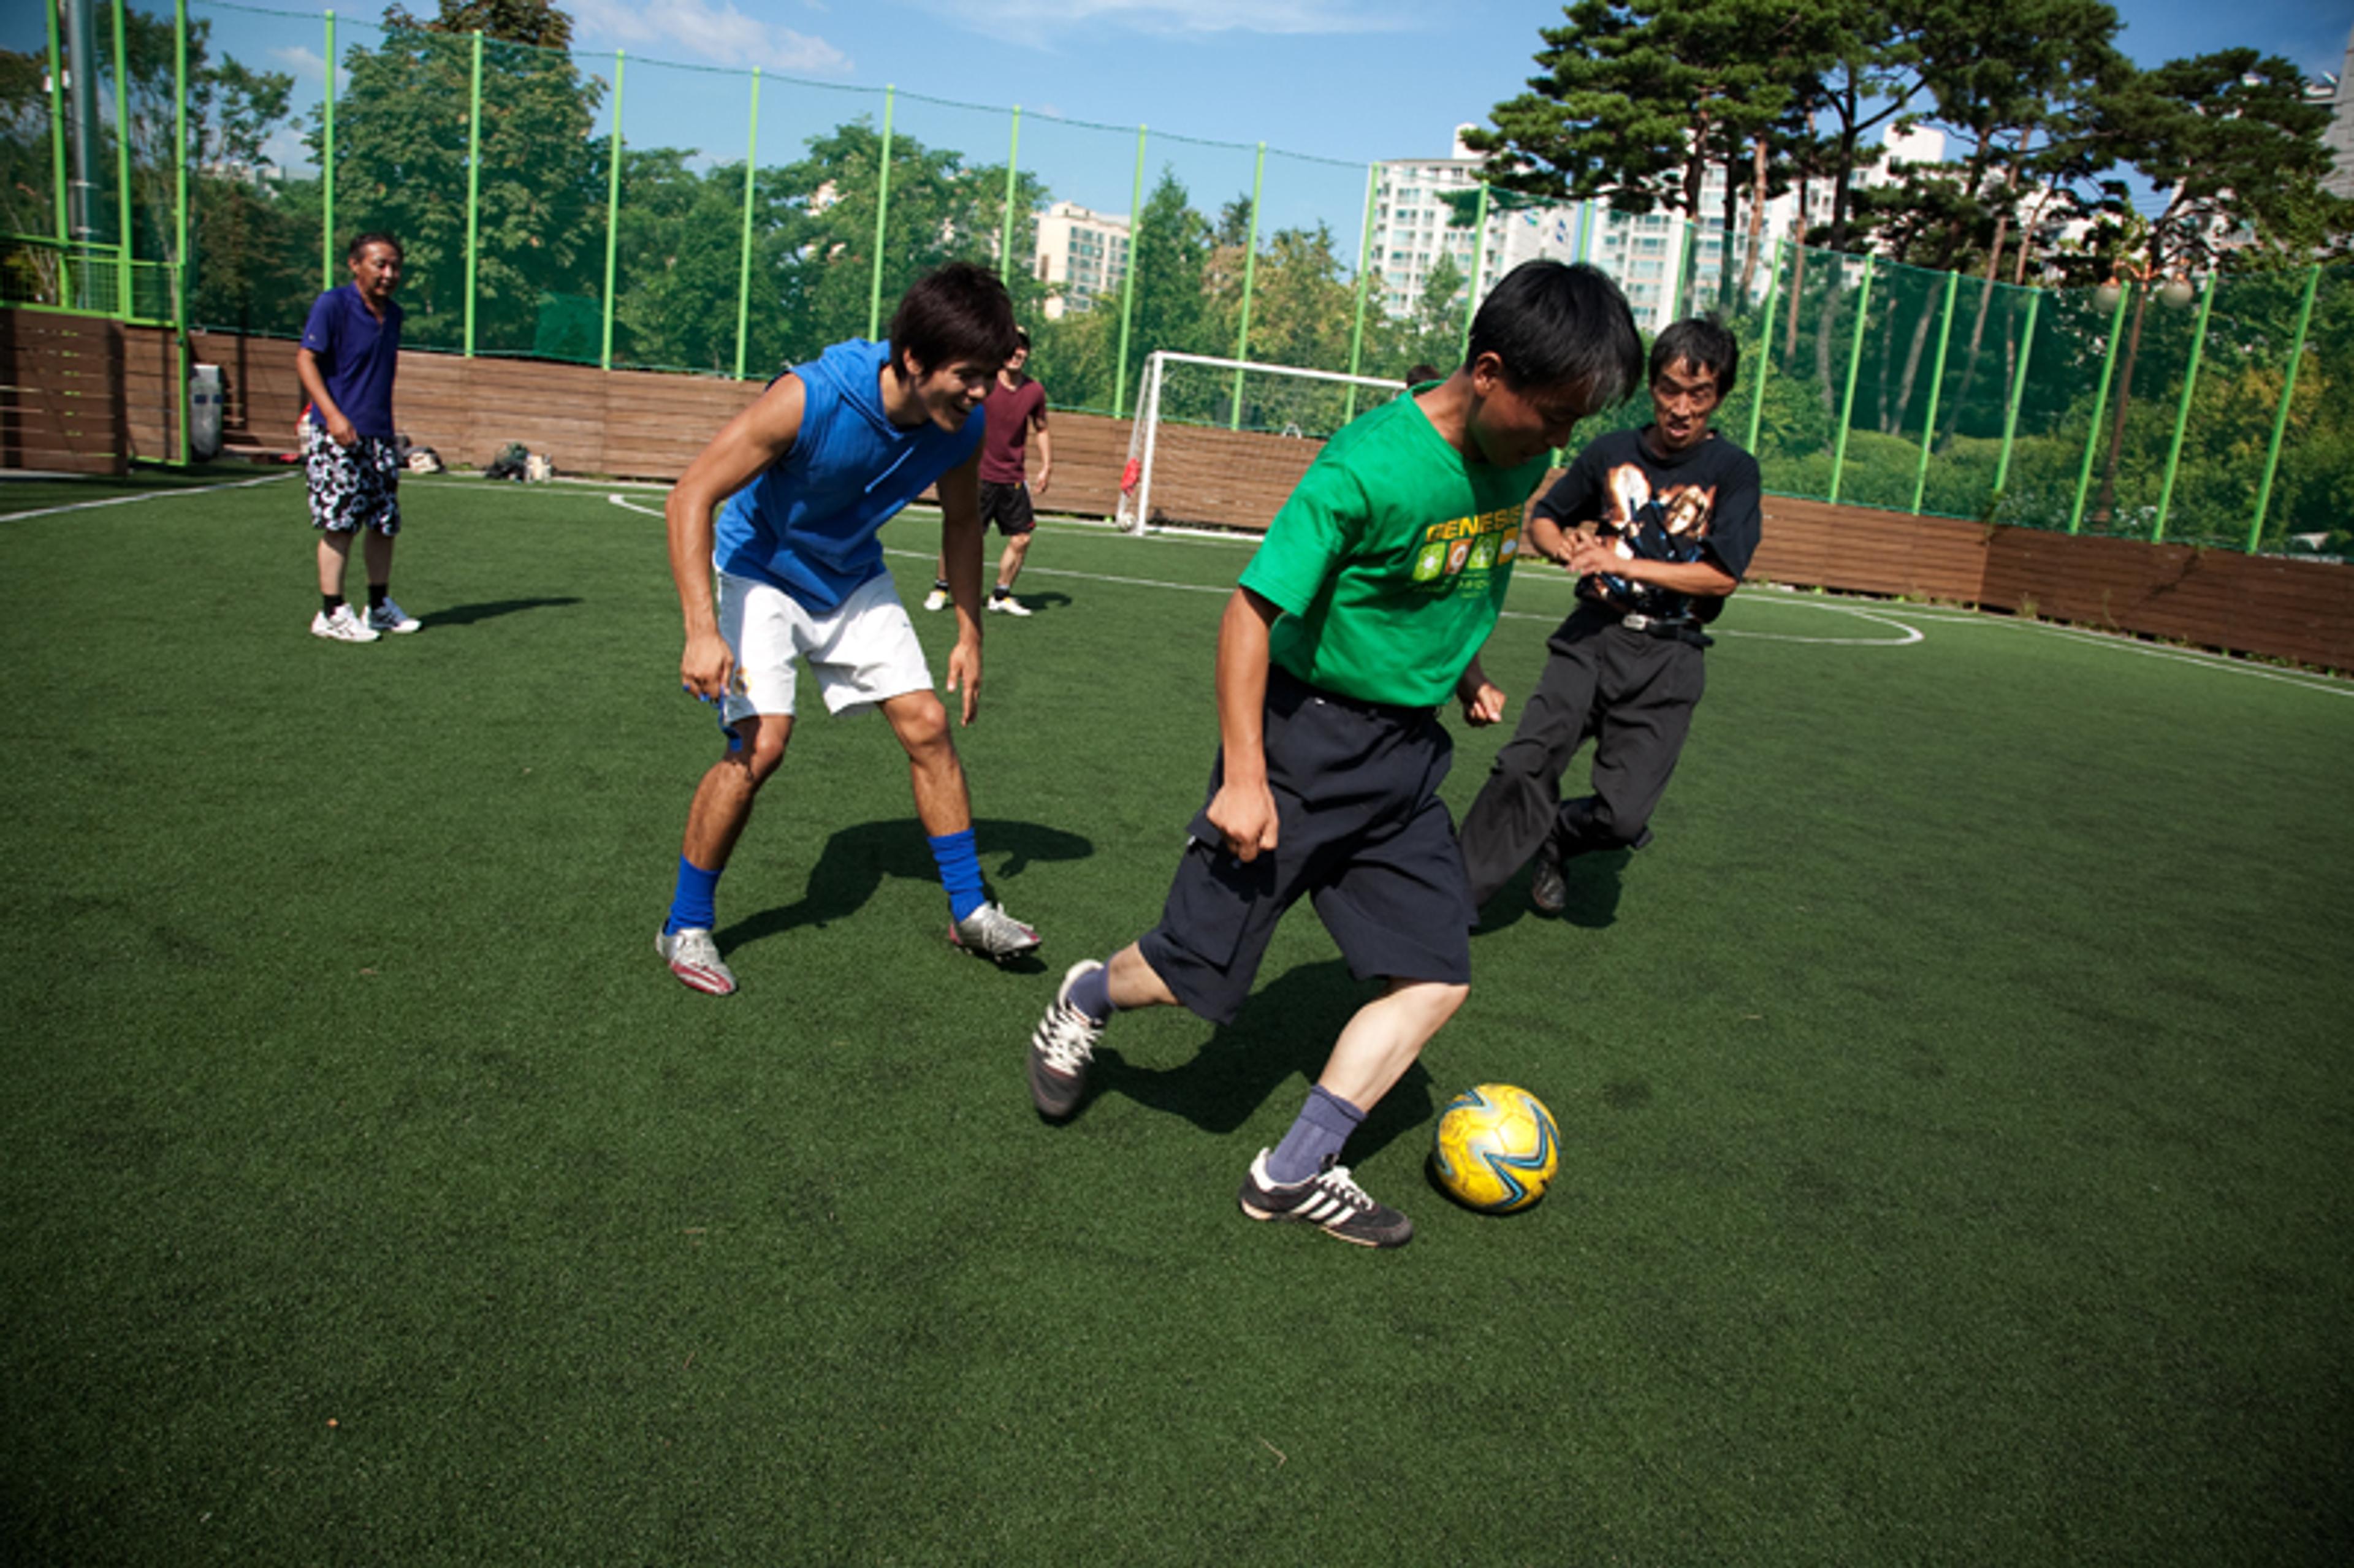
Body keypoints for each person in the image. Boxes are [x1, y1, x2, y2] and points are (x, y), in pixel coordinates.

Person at [1023, 261, 1644, 1248]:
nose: (1561, 443)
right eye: (1554, 414)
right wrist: (1243, 774)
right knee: (1190, 976)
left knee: (1438, 976)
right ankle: (1088, 993)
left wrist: (1466, 667)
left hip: (1404, 760)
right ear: (1488, 371)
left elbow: (1450, 576)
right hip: (1300, 743)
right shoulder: (1365, 468)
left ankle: (1295, 1168)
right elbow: (1250, 613)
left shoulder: (1518, 457)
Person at [656, 262, 1044, 997]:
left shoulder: (960, 426)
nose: (983, 392)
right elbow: (691, 496)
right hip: (759, 567)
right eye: (969, 374)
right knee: (762, 742)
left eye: (991, 375)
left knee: (928, 722)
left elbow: (963, 522)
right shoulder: (808, 398)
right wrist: (701, 629)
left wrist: (970, 630)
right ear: (913, 361)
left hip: (848, 575)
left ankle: (969, 910)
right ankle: (685, 922)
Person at [1455, 314, 1763, 917]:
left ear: (1719, 396)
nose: (1681, 407)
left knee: (1623, 818)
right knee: (1526, 762)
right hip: (1591, 638)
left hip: (1671, 658)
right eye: (1669, 389)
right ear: (1652, 387)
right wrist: (1560, 544)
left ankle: (1556, 837)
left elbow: (1722, 574)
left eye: (1698, 394)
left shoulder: (1734, 471)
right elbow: (1544, 516)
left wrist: (1628, 562)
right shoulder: (1610, 450)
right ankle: (1451, 902)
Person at [297, 233, 417, 642]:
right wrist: (332, 416)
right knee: (341, 523)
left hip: (379, 435)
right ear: (355, 265)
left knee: (384, 523)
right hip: (337, 435)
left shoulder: (395, 315)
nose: (389, 274)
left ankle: (379, 606)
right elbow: (306, 359)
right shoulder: (333, 305)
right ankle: (331, 612)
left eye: (395, 266)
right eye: (380, 264)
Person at [924, 325, 1052, 617]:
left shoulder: (1034, 391)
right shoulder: (984, 385)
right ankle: (941, 587)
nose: (1018, 353)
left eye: (1023, 347)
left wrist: (1047, 465)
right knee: (962, 533)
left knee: (1022, 538)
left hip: (1013, 479)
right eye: (1012, 346)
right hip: (979, 476)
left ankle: (1001, 594)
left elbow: (1042, 429)